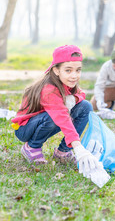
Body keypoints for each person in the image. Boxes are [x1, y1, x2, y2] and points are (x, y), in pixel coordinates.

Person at [11, 45, 103, 177]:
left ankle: (63, 151)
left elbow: (81, 94)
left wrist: (73, 98)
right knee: (53, 117)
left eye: (78, 70)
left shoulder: (67, 83)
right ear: (56, 70)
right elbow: (62, 118)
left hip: (47, 120)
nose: (74, 76)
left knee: (86, 106)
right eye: (68, 70)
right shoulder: (49, 89)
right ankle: (32, 147)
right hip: (25, 128)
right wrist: (78, 147)